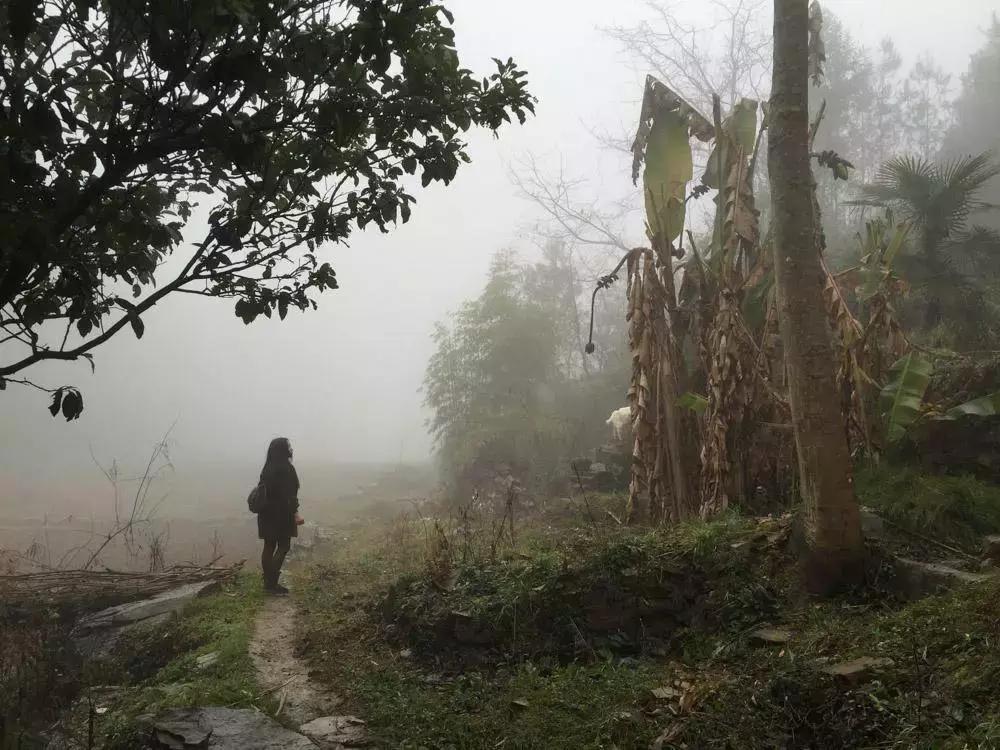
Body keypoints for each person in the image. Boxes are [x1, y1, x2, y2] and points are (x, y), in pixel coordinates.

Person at [258, 437, 299, 595]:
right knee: (284, 546)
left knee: (269, 546)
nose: (291, 448)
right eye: (288, 446)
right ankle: (271, 583)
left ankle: (268, 583)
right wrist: (295, 512)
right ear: (283, 450)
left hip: (266, 513)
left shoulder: (267, 468)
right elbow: (291, 495)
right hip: (282, 513)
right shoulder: (287, 469)